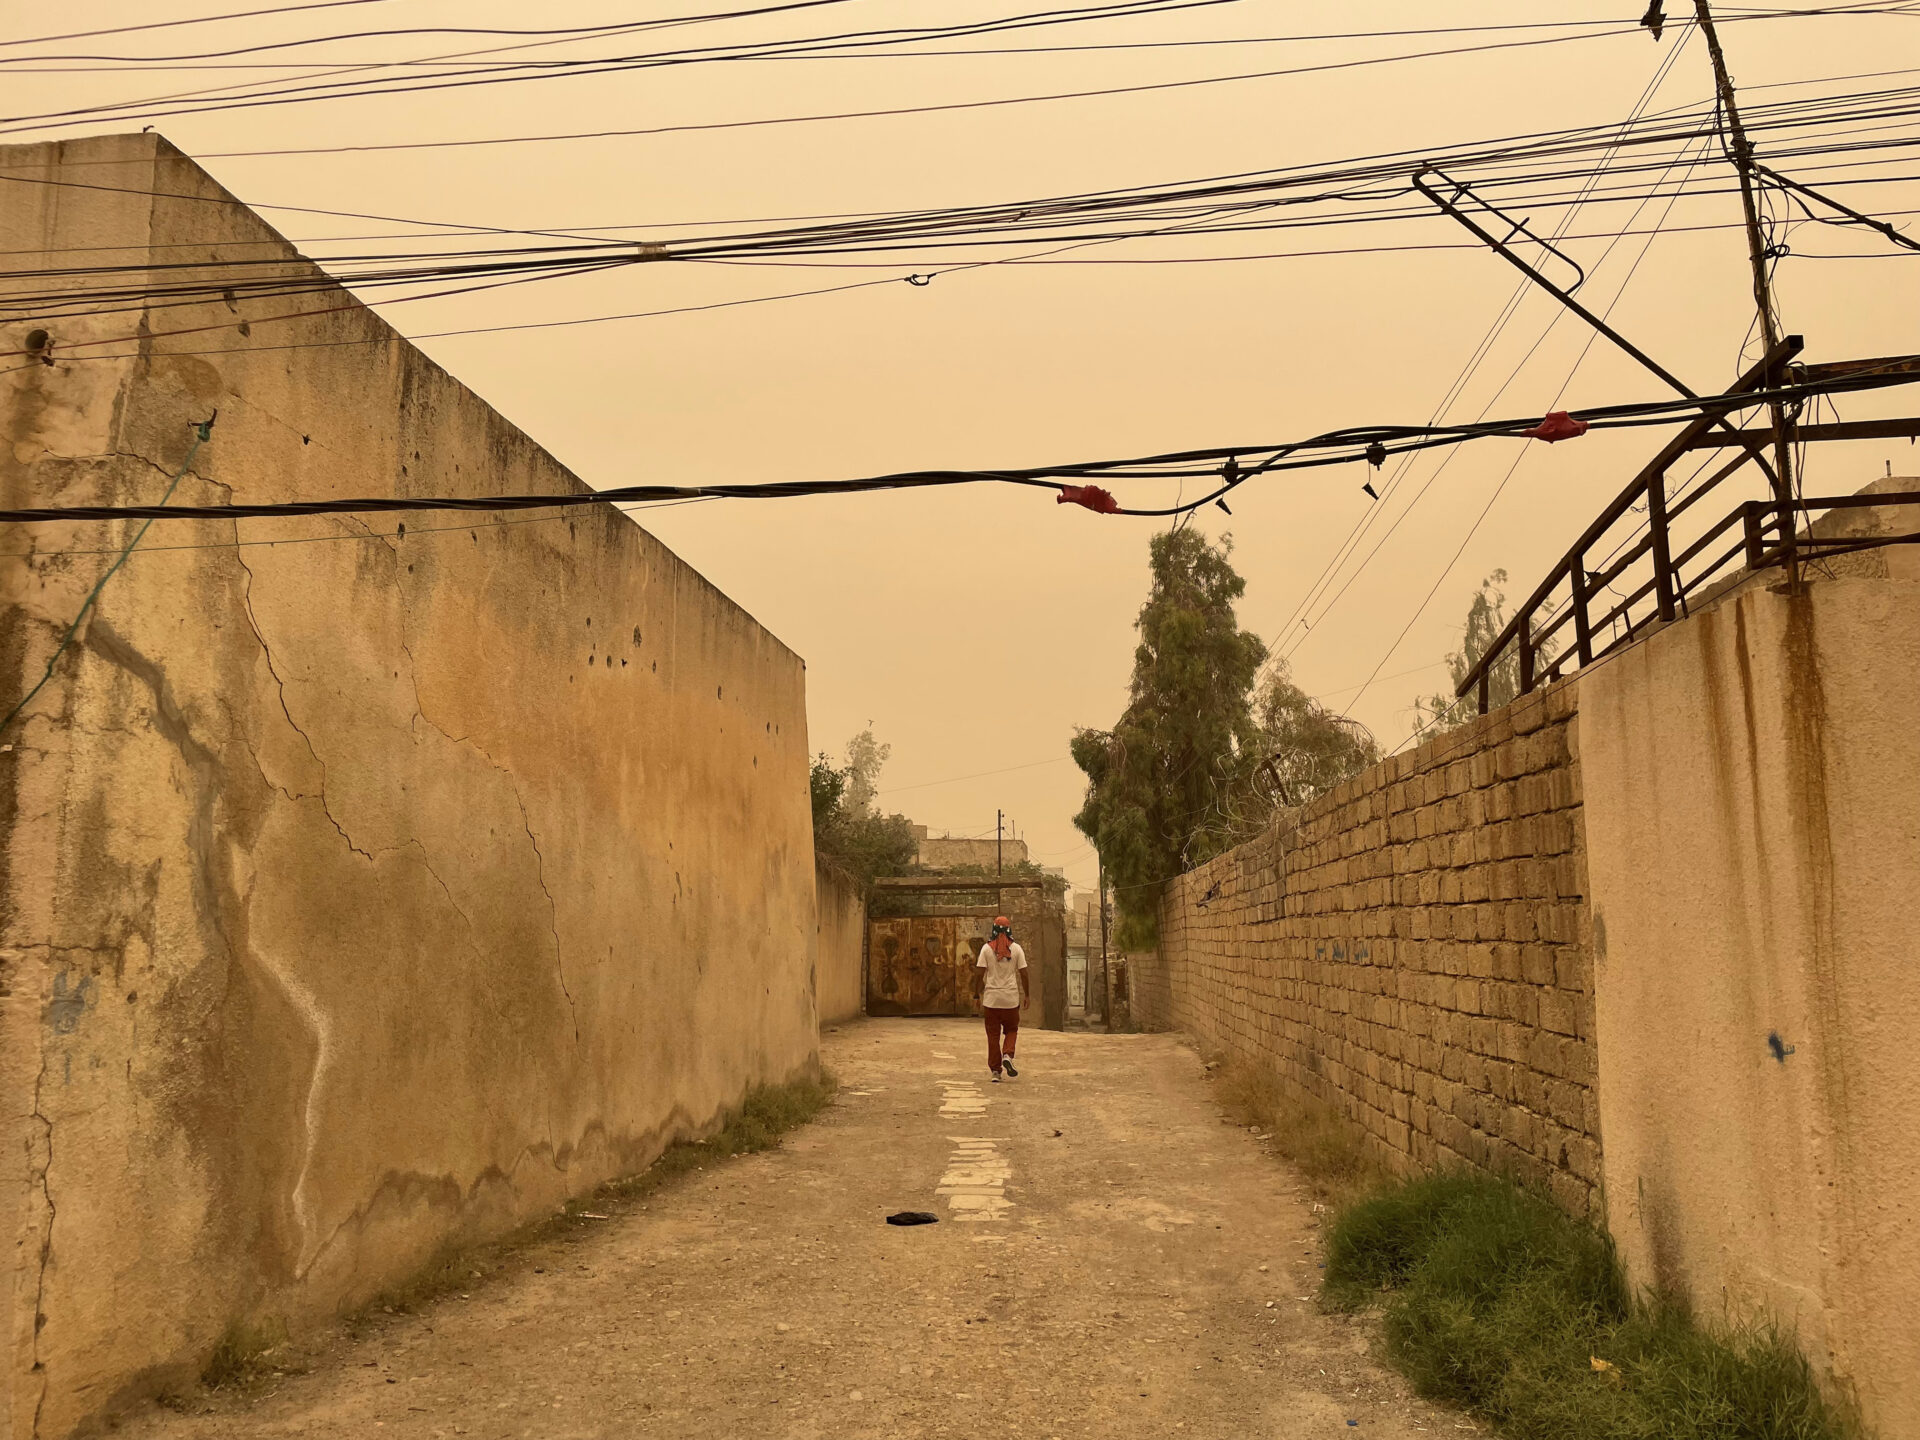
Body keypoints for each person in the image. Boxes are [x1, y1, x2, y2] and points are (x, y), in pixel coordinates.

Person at [972, 916, 1029, 1082]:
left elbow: (979, 974)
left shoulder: (985, 949)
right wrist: (1027, 995)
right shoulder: (1017, 949)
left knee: (993, 1036)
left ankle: (996, 1071)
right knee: (1012, 1030)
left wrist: (976, 994)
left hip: (991, 1001)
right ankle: (1007, 1054)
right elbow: (1024, 973)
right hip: (1011, 1000)